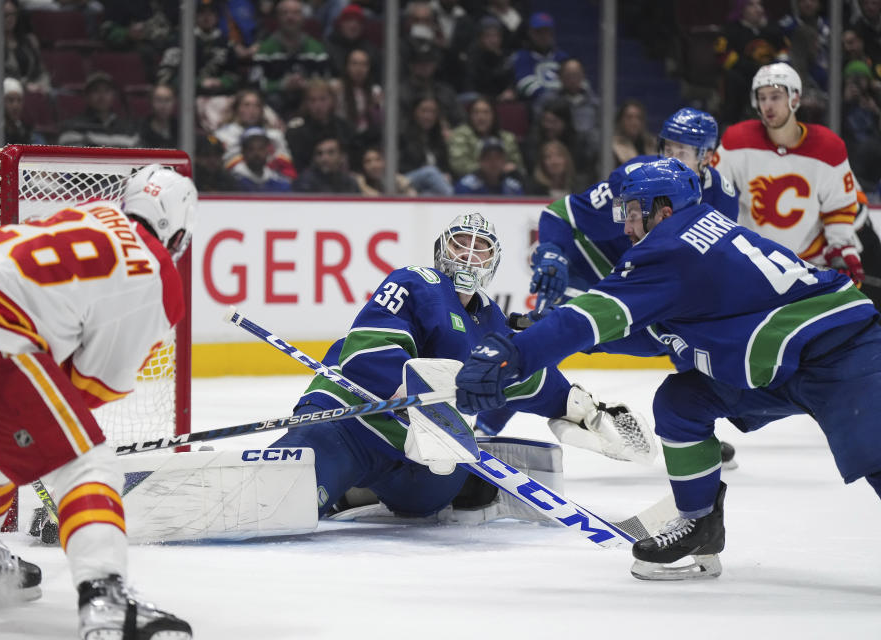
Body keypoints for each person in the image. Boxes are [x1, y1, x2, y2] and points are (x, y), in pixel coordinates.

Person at [454, 158, 881, 581]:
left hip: (846, 351)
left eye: (634, 212)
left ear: (665, 210)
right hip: (787, 364)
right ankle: (700, 525)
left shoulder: (670, 249)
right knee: (684, 401)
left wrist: (512, 357)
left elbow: (590, 319)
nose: (625, 226)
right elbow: (652, 334)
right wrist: (548, 332)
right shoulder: (698, 231)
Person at [0, 165, 196, 637]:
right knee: (86, 463)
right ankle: (105, 600)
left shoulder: (93, 212)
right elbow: (94, 386)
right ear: (179, 229)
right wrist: (57, 440)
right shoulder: (154, 273)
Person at [270, 212, 652, 519]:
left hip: (413, 451)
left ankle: (359, 491)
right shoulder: (416, 281)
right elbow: (366, 352)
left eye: (481, 247)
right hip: (350, 422)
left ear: (494, 262)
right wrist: (411, 388)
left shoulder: (491, 321)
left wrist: (578, 407)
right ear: (441, 249)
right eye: (460, 242)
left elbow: (520, 377)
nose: (469, 254)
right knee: (282, 498)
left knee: (438, 488)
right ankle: (333, 479)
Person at [529, 107, 738, 311]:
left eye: (682, 153)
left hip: (648, 282)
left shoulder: (722, 197)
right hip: (598, 266)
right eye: (667, 150)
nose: (671, 161)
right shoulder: (634, 179)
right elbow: (559, 214)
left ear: (707, 157)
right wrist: (552, 252)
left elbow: (712, 264)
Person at [712, 63, 864, 287]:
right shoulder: (737, 141)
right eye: (762, 98)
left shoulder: (828, 148)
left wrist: (842, 248)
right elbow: (715, 196)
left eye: (775, 97)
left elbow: (839, 207)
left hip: (810, 263)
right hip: (754, 263)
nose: (768, 105)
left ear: (794, 98)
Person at [447, 95, 524, 181]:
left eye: (486, 112)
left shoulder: (507, 138)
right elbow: (459, 166)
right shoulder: (460, 134)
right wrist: (494, 169)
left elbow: (519, 168)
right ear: (470, 116)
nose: (481, 117)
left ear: (494, 115)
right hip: (470, 184)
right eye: (476, 112)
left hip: (503, 184)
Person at [57, 72, 139, 148]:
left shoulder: (128, 128)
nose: (102, 96)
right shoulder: (73, 126)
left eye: (106, 91)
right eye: (96, 90)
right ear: (86, 96)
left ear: (114, 95)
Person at [453, 137, 525, 196]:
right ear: (479, 161)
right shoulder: (466, 186)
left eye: (497, 158)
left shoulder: (514, 188)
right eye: (488, 158)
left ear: (504, 161)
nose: (493, 162)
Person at [232, 127, 292, 192]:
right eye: (251, 149)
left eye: (261, 148)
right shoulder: (233, 182)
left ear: (268, 151)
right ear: (243, 152)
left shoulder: (279, 182)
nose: (256, 153)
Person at [292, 137, 360, 193]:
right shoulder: (305, 182)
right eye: (319, 153)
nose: (324, 158)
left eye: (331, 153)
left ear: (342, 157)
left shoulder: (350, 182)